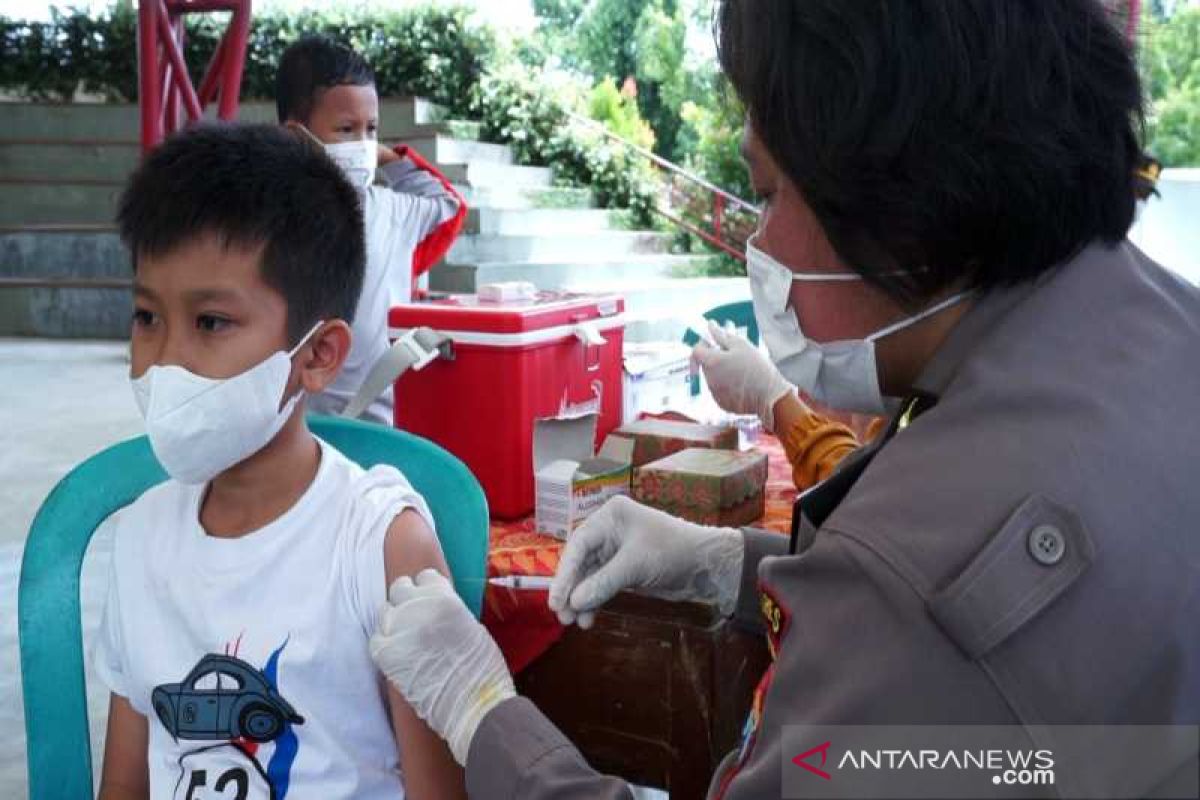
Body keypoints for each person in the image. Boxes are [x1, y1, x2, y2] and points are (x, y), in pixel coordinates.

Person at [367, 1, 1200, 797]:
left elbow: (912, 661)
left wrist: (486, 718)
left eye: (767, 193)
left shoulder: (917, 598)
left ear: (898, 201)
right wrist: (733, 567)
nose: (757, 243)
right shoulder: (1157, 321)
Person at [94, 124, 465, 799]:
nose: (165, 359)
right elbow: (125, 783)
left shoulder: (381, 547)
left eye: (210, 322)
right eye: (147, 317)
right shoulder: (138, 538)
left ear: (318, 355)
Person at [276, 35, 466, 424]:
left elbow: (448, 204)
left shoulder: (393, 209)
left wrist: (387, 156)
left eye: (372, 129)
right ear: (296, 135)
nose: (362, 144)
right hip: (293, 421)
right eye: (346, 129)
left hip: (383, 418)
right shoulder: (268, 216)